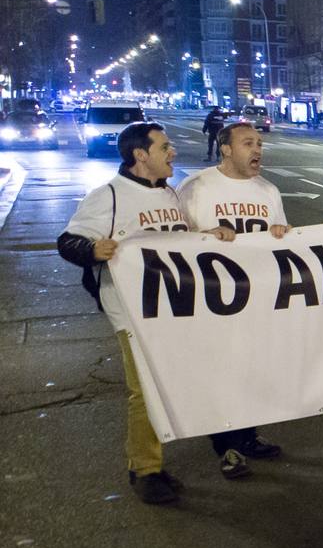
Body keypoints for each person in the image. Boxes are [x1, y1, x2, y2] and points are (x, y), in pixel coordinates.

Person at [58, 123, 238, 505]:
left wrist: (209, 234)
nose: (173, 152)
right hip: (131, 313)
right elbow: (68, 241)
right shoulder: (108, 196)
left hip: (172, 310)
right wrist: (92, 250)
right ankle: (145, 470)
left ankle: (152, 462)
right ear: (141, 155)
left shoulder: (168, 193)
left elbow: (178, 241)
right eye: (165, 147)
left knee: (170, 384)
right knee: (144, 390)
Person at [172, 121, 293, 477]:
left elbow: (281, 237)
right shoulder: (196, 187)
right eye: (247, 143)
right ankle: (226, 447)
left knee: (252, 371)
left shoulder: (268, 191)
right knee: (219, 374)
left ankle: (248, 435)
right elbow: (173, 239)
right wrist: (204, 236)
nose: (257, 150)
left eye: (259, 144)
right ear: (225, 148)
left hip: (255, 298)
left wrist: (281, 232)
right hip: (211, 299)